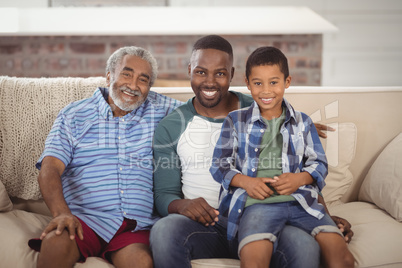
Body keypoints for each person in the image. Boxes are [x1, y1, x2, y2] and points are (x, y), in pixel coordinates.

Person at [150, 35, 353, 268]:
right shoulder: (172, 125)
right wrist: (182, 205)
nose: (209, 81)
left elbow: (295, 162)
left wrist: (324, 216)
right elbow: (163, 194)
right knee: (164, 230)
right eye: (200, 72)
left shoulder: (258, 106)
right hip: (207, 223)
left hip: (262, 213)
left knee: (303, 245)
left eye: (220, 73)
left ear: (232, 74)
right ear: (189, 71)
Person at [28, 46, 182, 268]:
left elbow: (204, 110)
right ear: (109, 75)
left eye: (143, 79)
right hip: (85, 220)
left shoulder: (164, 109)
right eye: (126, 74)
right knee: (55, 244)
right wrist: (61, 214)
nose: (133, 85)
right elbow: (50, 169)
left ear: (150, 86)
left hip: (136, 226)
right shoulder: (74, 115)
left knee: (140, 262)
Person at [209, 46, 355, 268]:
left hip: (301, 202)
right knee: (254, 259)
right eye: (258, 83)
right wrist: (247, 182)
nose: (266, 90)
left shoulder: (303, 122)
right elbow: (219, 165)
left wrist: (300, 178)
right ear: (247, 83)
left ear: (287, 82)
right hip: (257, 205)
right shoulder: (235, 121)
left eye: (274, 82)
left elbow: (319, 163)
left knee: (341, 258)